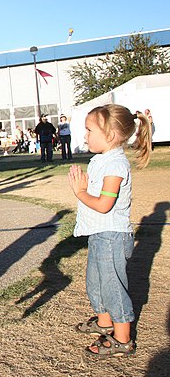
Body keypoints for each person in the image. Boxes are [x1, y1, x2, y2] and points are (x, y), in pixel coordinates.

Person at [68, 104, 152, 358]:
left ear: (111, 136)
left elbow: (104, 205)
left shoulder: (116, 165)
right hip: (100, 234)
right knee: (96, 283)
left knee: (113, 287)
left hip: (112, 236)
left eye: (89, 130)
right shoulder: (103, 159)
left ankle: (123, 339)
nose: (85, 135)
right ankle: (105, 323)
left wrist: (80, 192)